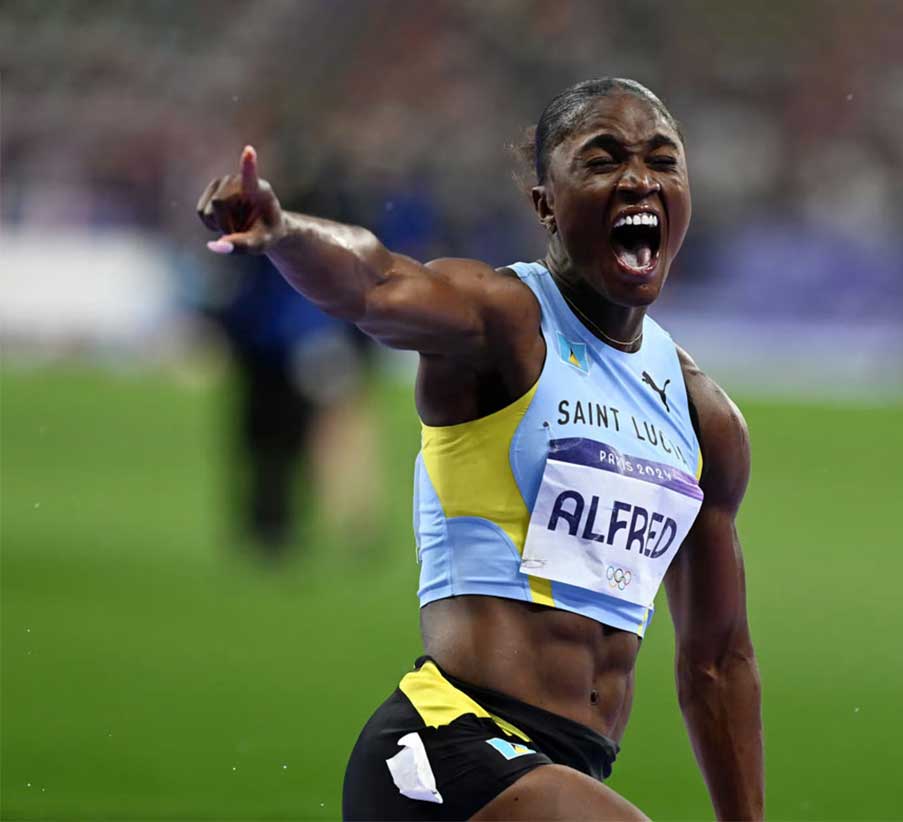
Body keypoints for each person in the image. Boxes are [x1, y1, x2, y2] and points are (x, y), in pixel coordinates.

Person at [197, 77, 762, 821]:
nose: (639, 179)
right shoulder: (502, 321)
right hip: (446, 750)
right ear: (545, 204)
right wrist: (286, 233)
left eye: (663, 160)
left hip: (562, 771)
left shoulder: (704, 419)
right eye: (603, 158)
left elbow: (717, 663)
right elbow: (375, 282)